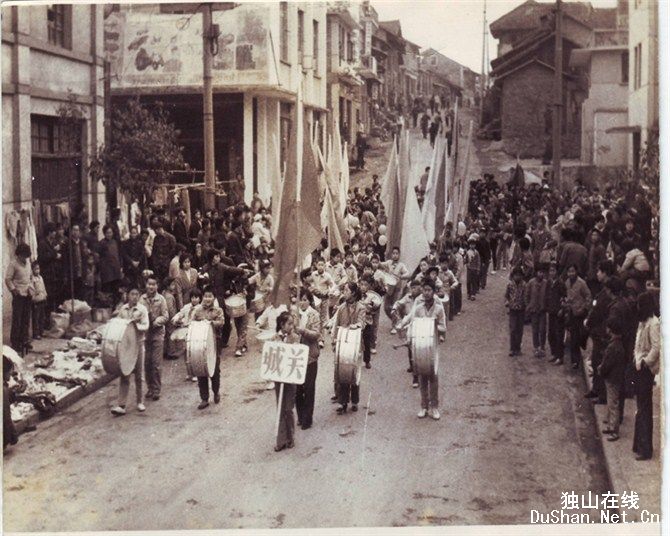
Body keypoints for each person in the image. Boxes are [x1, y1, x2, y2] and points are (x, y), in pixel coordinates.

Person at [397, 280, 446, 420]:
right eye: (425, 290)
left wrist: (434, 326)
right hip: (419, 346)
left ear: (434, 292)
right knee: (422, 377)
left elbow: (443, 328)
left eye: (429, 290)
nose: (427, 293)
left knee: (433, 377)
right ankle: (424, 407)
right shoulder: (418, 308)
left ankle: (434, 407)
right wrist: (409, 338)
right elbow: (413, 325)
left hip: (432, 347)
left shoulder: (439, 309)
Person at [110, 286, 149, 416]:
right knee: (125, 374)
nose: (135, 297)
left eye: (137, 294)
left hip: (138, 344)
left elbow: (146, 325)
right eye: (132, 294)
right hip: (126, 346)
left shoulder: (142, 309)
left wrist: (134, 325)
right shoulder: (123, 309)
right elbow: (118, 325)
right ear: (127, 295)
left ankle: (140, 401)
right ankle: (121, 405)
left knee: (139, 375)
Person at [331, 282, 367, 414]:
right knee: (342, 373)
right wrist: (334, 342)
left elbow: (362, 323)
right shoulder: (341, 308)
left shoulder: (361, 308)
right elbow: (336, 326)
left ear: (353, 293)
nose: (344, 292)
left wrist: (356, 326)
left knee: (354, 373)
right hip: (343, 345)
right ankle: (343, 402)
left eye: (346, 290)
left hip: (356, 345)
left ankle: (355, 401)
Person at [632, 291, 660, 461]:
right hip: (639, 366)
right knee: (641, 408)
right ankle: (639, 444)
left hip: (645, 370)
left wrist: (645, 362)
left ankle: (645, 449)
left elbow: (656, 347)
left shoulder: (653, 324)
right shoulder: (643, 322)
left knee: (644, 409)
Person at [189, 287, 225, 409]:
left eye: (210, 296)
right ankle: (204, 398)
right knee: (201, 369)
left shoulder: (218, 310)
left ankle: (216, 391)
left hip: (214, 343)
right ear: (202, 297)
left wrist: (211, 323)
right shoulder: (197, 310)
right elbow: (191, 323)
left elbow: (221, 322)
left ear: (214, 298)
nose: (207, 299)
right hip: (199, 344)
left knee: (214, 369)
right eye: (205, 296)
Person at [293, 289, 321, 430]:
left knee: (309, 389)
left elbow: (316, 334)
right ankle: (300, 415)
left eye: (305, 300)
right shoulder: (294, 314)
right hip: (296, 356)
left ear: (309, 301)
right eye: (300, 300)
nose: (302, 303)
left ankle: (307, 419)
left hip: (310, 356)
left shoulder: (314, 314)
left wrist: (303, 331)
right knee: (298, 389)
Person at [272, 311, 299, 451]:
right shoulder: (275, 338)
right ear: (282, 325)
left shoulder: (295, 337)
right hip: (279, 378)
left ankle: (291, 437)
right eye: (289, 324)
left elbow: (297, 355)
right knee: (281, 408)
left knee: (289, 409)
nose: (291, 326)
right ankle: (281, 440)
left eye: (292, 323)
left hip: (290, 379)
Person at [140, 276, 169, 400]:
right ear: (146, 285)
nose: (151, 287)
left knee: (156, 363)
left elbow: (165, 316)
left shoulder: (161, 299)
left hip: (157, 333)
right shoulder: (142, 299)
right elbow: (138, 313)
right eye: (149, 284)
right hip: (146, 334)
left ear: (157, 286)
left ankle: (156, 389)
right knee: (147, 362)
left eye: (153, 284)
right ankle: (150, 388)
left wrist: (156, 321)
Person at [598, 318, 627, 442]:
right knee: (612, 402)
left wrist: (601, 370)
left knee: (612, 404)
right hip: (616, 377)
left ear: (610, 330)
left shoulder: (612, 346)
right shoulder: (619, 345)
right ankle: (611, 426)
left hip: (611, 378)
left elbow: (607, 364)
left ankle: (614, 430)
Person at [5, 244, 34, 354]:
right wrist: (13, 290)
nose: (24, 258)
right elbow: (8, 279)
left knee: (26, 319)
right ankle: (15, 343)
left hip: (28, 294)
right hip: (18, 295)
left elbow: (30, 277)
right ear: (19, 254)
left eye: (26, 256)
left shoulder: (28, 263)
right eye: (23, 255)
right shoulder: (13, 264)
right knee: (17, 319)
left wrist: (31, 287)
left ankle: (24, 340)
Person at [563, 264, 592, 370]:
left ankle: (581, 356)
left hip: (580, 313)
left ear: (576, 272)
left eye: (573, 271)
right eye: (569, 271)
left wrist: (584, 309)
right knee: (573, 336)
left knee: (581, 335)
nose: (571, 274)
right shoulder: (567, 282)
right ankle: (575, 361)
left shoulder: (582, 283)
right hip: (571, 312)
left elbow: (588, 296)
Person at [310, 259, 336, 345]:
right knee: (315, 317)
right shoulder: (313, 274)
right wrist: (314, 291)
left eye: (322, 265)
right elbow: (310, 284)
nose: (320, 266)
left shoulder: (327, 276)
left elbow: (333, 286)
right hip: (315, 298)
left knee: (323, 318)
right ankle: (314, 336)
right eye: (319, 265)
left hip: (324, 298)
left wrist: (329, 292)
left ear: (325, 266)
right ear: (316, 265)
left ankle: (321, 339)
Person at [525, 263, 548, 358]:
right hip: (533, 310)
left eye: (542, 272)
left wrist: (546, 306)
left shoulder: (546, 283)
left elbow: (548, 296)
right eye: (539, 272)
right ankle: (536, 347)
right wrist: (528, 305)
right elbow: (527, 295)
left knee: (542, 329)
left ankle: (542, 346)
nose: (541, 274)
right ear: (536, 273)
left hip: (542, 310)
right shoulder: (531, 283)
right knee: (535, 329)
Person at [546, 263, 566, 365]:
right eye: (550, 271)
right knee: (551, 334)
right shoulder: (549, 283)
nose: (551, 273)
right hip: (551, 311)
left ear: (557, 272)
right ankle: (553, 353)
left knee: (559, 334)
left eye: (553, 271)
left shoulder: (561, 283)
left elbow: (564, 297)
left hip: (558, 312)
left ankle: (560, 356)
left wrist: (562, 309)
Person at [505, 267, 526, 357]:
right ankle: (512, 348)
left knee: (519, 330)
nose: (517, 277)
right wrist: (507, 302)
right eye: (516, 275)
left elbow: (526, 296)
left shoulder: (524, 285)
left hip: (521, 310)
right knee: (513, 329)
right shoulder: (510, 285)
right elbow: (506, 296)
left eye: (519, 275)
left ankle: (518, 348)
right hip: (512, 310)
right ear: (513, 276)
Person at [98, 224, 123, 295]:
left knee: (116, 289)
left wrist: (120, 266)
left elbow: (118, 254)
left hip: (116, 269)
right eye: (107, 233)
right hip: (107, 270)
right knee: (107, 291)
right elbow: (99, 257)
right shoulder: (102, 243)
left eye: (110, 232)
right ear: (104, 233)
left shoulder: (115, 242)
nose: (109, 234)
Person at [31, 262, 47, 340]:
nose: (37, 270)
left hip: (42, 299)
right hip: (36, 301)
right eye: (35, 269)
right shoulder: (32, 279)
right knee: (36, 318)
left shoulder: (40, 278)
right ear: (32, 270)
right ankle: (36, 333)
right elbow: (32, 290)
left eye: (38, 269)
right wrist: (33, 299)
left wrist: (45, 295)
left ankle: (41, 331)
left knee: (42, 317)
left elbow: (43, 287)